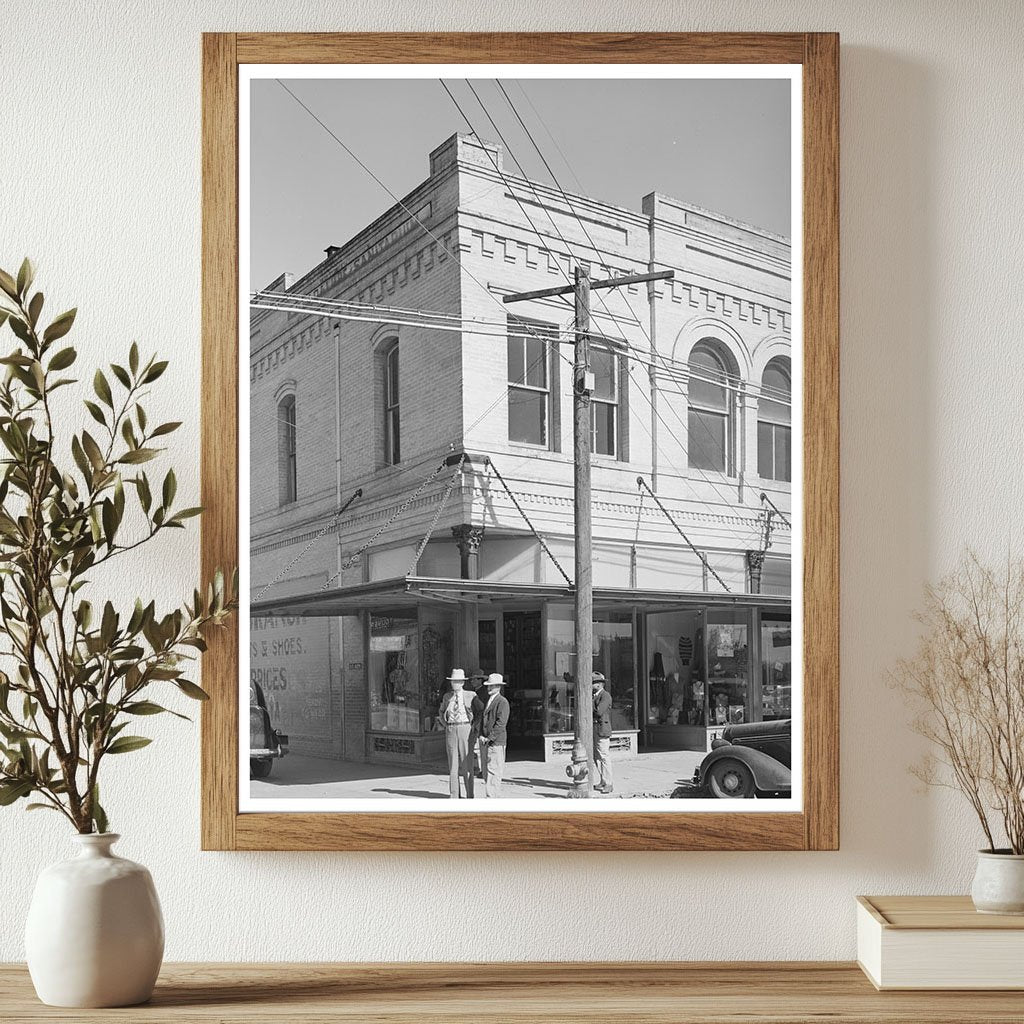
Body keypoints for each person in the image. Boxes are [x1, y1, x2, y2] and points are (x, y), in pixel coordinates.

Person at [438, 669, 482, 798]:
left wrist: (474, 726)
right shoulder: (447, 696)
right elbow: (441, 712)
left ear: (462, 682)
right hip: (451, 728)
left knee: (466, 763)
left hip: (465, 728)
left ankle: (470, 794)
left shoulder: (471, 695)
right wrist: (445, 724)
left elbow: (480, 710)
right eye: (453, 682)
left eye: (457, 682)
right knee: (452, 764)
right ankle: (454, 795)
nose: (454, 684)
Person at [478, 673, 510, 798]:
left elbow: (501, 723)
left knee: (494, 771)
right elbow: (483, 719)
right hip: (486, 740)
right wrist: (481, 734)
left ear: (499, 687)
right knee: (487, 772)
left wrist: (489, 737)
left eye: (492, 686)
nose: (489, 688)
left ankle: (492, 799)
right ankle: (491, 797)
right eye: (489, 686)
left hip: (496, 741)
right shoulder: (489, 700)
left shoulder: (502, 702)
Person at [592, 671, 614, 794]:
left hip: (602, 729)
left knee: (604, 757)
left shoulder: (605, 696)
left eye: (593, 683)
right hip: (595, 729)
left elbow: (599, 711)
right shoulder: (595, 695)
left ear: (599, 684)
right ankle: (603, 780)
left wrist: (589, 701)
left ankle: (609, 783)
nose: (591, 685)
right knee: (597, 757)